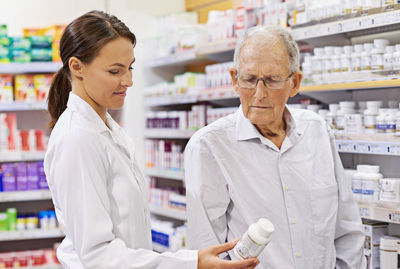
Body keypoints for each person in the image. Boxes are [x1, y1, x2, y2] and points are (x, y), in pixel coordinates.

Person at [44, 10, 260, 269]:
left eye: (130, 68)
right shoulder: (77, 139)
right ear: (77, 67)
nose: (129, 81)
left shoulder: (107, 128)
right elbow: (98, 255)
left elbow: (128, 239)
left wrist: (194, 258)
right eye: (115, 71)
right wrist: (191, 264)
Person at [184, 25, 365, 269]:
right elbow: (209, 253)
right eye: (249, 79)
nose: (259, 94)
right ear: (234, 80)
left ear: (295, 82)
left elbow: (346, 230)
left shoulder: (317, 131)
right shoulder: (210, 146)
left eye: (272, 80)